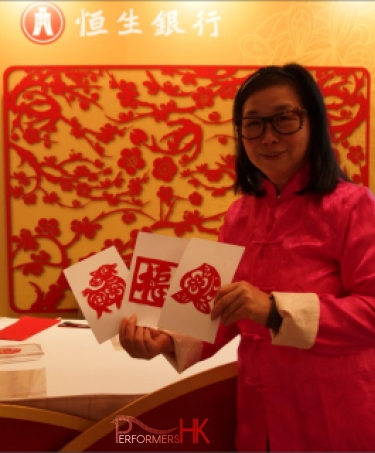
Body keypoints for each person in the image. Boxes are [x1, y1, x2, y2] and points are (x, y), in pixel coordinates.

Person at [119, 63, 375, 451]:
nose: (268, 136)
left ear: (313, 123)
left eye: (284, 119)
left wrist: (274, 309)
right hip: (258, 416)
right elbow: (225, 313)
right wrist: (166, 340)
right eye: (253, 123)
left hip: (334, 414)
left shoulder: (354, 206)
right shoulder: (239, 214)